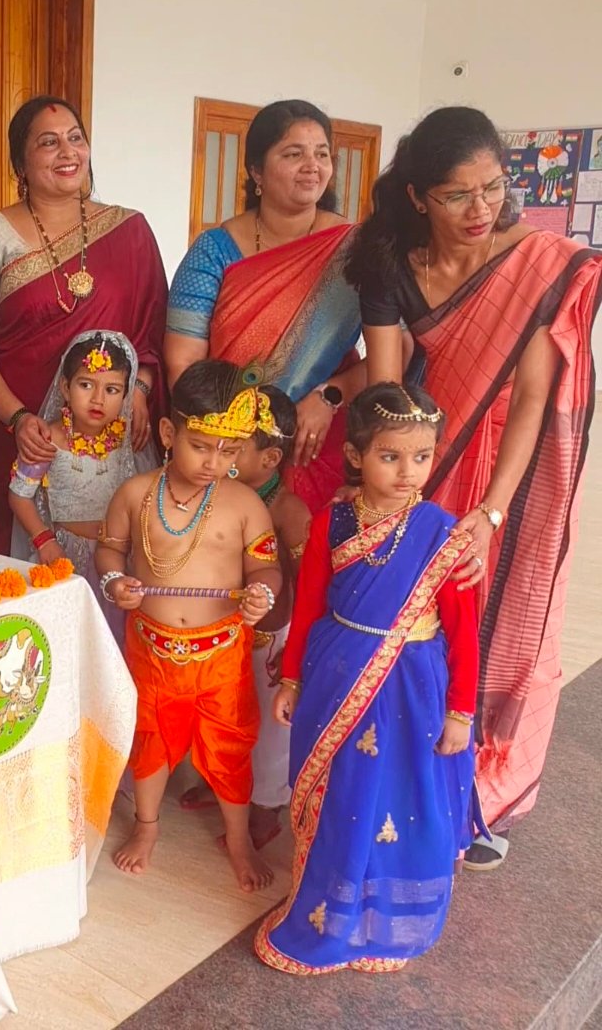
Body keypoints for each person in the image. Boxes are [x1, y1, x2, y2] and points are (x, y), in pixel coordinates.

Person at [346, 106, 601, 869]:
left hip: (514, 472)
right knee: (422, 615)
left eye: (492, 188)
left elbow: (531, 398)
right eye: (458, 194)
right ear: (419, 195)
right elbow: (387, 387)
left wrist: (490, 514)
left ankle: (484, 795)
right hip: (426, 450)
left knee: (505, 615)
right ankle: (406, 779)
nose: (480, 208)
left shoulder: (538, 264)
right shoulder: (390, 264)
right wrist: (392, 489)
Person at [255, 383, 479, 974]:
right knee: (343, 796)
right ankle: (328, 911)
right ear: (355, 455)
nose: (408, 472)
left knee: (396, 799)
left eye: (422, 457)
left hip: (412, 686)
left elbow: (464, 633)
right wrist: (292, 681)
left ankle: (384, 925)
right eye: (390, 456)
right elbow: (308, 606)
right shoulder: (332, 522)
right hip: (335, 674)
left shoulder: (444, 534)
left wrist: (460, 713)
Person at [164, 100, 405, 513]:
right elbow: (183, 364)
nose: (312, 166)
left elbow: (398, 351)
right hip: (226, 443)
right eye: (294, 154)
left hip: (320, 439)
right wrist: (231, 435)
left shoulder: (358, 248)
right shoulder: (213, 250)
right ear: (257, 172)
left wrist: (329, 395)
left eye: (322, 154)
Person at [95, 361, 282, 892]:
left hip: (221, 652)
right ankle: (147, 827)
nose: (214, 463)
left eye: (230, 451)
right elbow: (109, 550)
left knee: (230, 744)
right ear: (167, 432)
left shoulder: (244, 503)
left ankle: (239, 840)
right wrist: (114, 581)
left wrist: (263, 593)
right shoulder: (135, 493)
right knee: (149, 738)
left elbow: (265, 567)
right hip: (150, 647)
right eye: (201, 446)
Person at [0, 95, 168, 555]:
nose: (68, 152)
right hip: (18, 432)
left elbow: (152, 331)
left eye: (75, 138)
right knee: (12, 563)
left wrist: (139, 390)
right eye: (49, 143)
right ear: (20, 163)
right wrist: (18, 419)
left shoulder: (130, 230)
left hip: (108, 430)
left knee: (112, 551)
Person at [178, 385, 310, 848]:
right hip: (221, 628)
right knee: (223, 714)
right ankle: (222, 783)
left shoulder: (288, 510)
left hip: (269, 638)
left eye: (235, 445)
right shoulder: (214, 494)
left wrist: (297, 651)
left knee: (270, 730)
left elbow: (308, 583)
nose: (222, 450)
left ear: (270, 458)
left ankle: (265, 806)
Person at [8, 330, 153, 640]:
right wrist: (44, 541)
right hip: (65, 555)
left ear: (126, 395)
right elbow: (19, 495)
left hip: (117, 560)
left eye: (112, 389)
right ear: (65, 386)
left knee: (111, 638)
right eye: (86, 385)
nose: (98, 399)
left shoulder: (129, 441)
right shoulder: (47, 439)